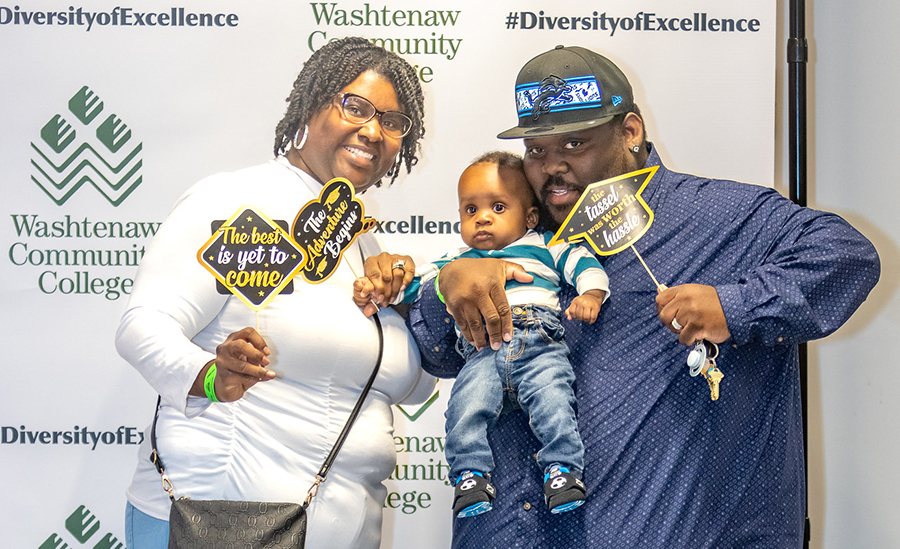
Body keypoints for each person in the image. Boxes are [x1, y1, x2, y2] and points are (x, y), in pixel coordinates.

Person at [403, 45, 881, 548]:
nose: (552, 166)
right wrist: (447, 285)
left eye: (574, 143)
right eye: (537, 150)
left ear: (630, 132)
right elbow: (437, 355)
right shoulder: (513, 234)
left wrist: (735, 307)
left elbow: (848, 256)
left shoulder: (720, 216)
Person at [115, 37, 434, 549]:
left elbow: (408, 385)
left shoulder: (362, 242)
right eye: (355, 107)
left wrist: (413, 302)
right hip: (222, 521)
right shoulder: (238, 201)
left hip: (340, 528)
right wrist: (212, 376)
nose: (373, 131)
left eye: (393, 122)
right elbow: (144, 326)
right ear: (310, 106)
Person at [354, 151, 609, 518]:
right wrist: (378, 288)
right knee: (464, 409)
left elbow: (586, 267)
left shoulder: (547, 246)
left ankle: (563, 470)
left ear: (530, 217)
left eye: (498, 207)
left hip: (539, 344)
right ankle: (470, 477)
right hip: (483, 352)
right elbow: (410, 286)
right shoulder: (457, 260)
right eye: (470, 209)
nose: (483, 217)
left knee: (554, 402)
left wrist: (591, 295)